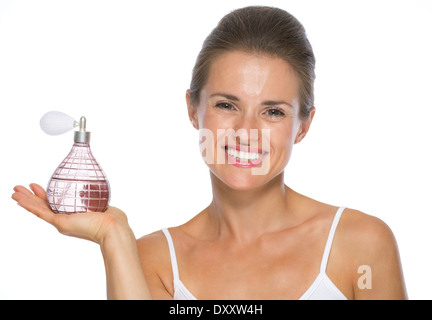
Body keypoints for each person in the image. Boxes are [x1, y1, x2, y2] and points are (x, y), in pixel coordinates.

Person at [12, 6, 407, 300]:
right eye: (226, 105)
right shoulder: (154, 260)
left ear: (303, 125)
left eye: (273, 111)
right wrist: (113, 237)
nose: (246, 132)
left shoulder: (360, 245)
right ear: (192, 109)